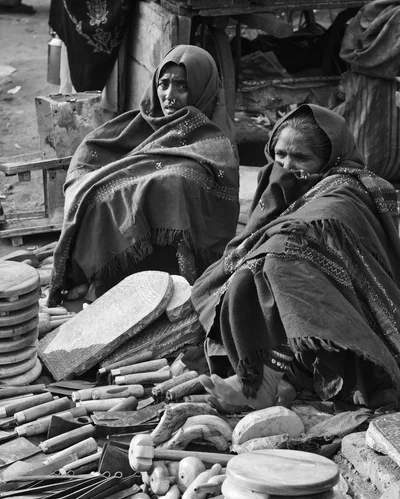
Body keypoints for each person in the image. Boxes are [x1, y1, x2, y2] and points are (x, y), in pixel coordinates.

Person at [192, 103, 400, 412]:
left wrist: (276, 250)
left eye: (302, 157)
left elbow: (312, 231)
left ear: (332, 160)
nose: (288, 166)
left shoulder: (348, 191)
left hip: (343, 316)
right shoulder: (275, 183)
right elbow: (248, 241)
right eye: (280, 155)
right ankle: (263, 372)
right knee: (249, 272)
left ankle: (267, 379)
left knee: (282, 265)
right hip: (295, 321)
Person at [48, 45, 239, 306]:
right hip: (131, 242)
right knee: (91, 174)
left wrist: (140, 185)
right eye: (164, 84)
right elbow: (94, 148)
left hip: (164, 251)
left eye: (182, 87)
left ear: (202, 89)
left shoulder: (215, 140)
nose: (169, 96)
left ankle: (145, 288)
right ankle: (100, 274)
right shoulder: (143, 121)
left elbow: (189, 181)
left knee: (171, 187)